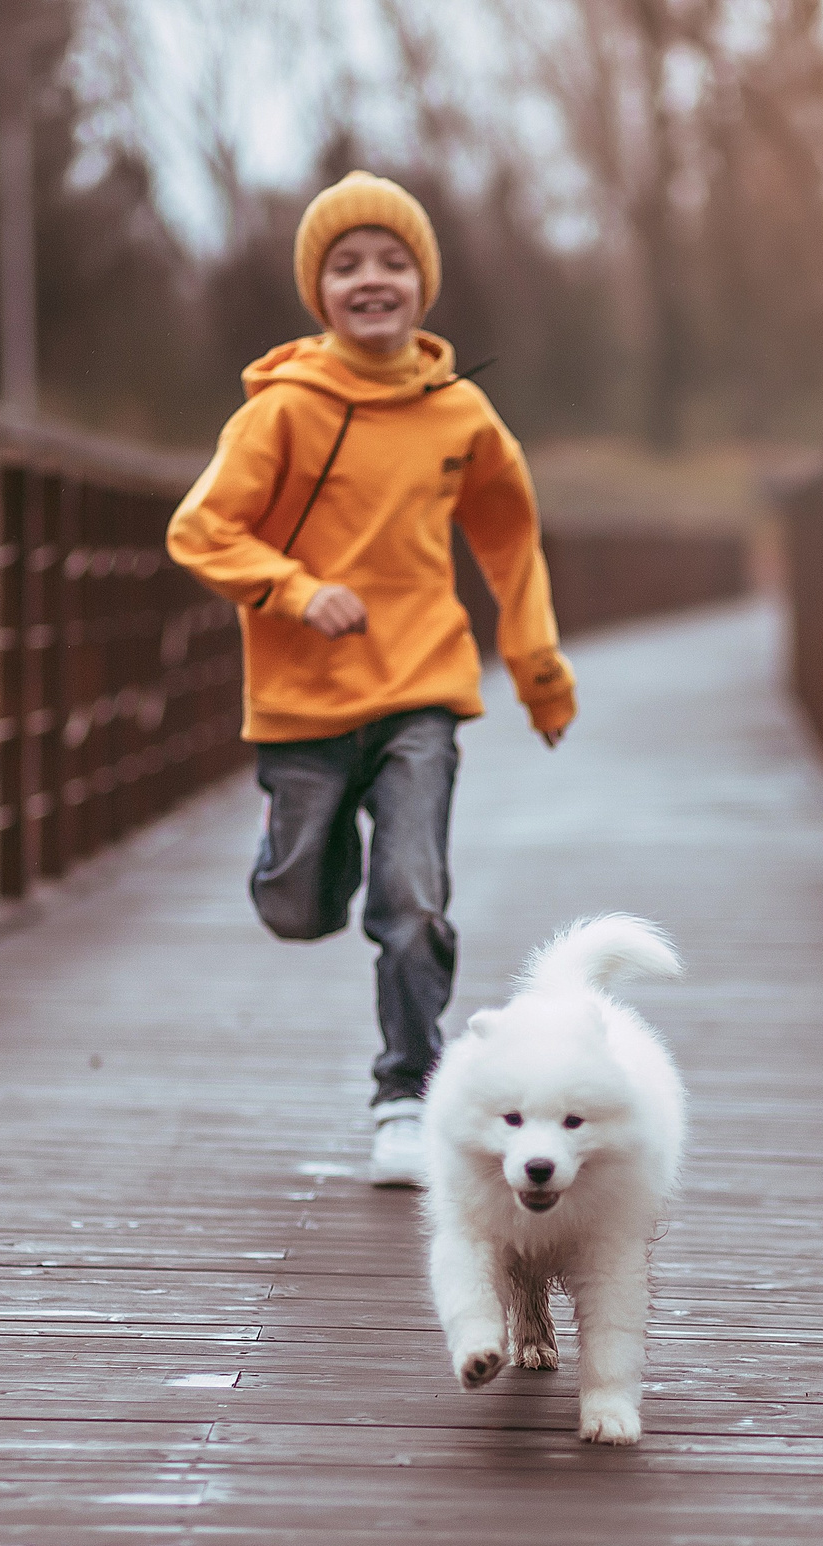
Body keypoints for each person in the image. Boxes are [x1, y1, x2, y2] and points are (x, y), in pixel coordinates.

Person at [166, 169, 576, 1189]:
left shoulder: (461, 414)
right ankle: (303, 852)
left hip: (420, 692)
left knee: (413, 899)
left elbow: (510, 536)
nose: (372, 279)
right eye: (346, 264)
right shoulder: (282, 411)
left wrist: (536, 667)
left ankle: (407, 1095)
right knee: (299, 909)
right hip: (303, 700)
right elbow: (199, 530)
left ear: (423, 283)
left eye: (393, 261)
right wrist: (295, 592)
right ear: (319, 291)